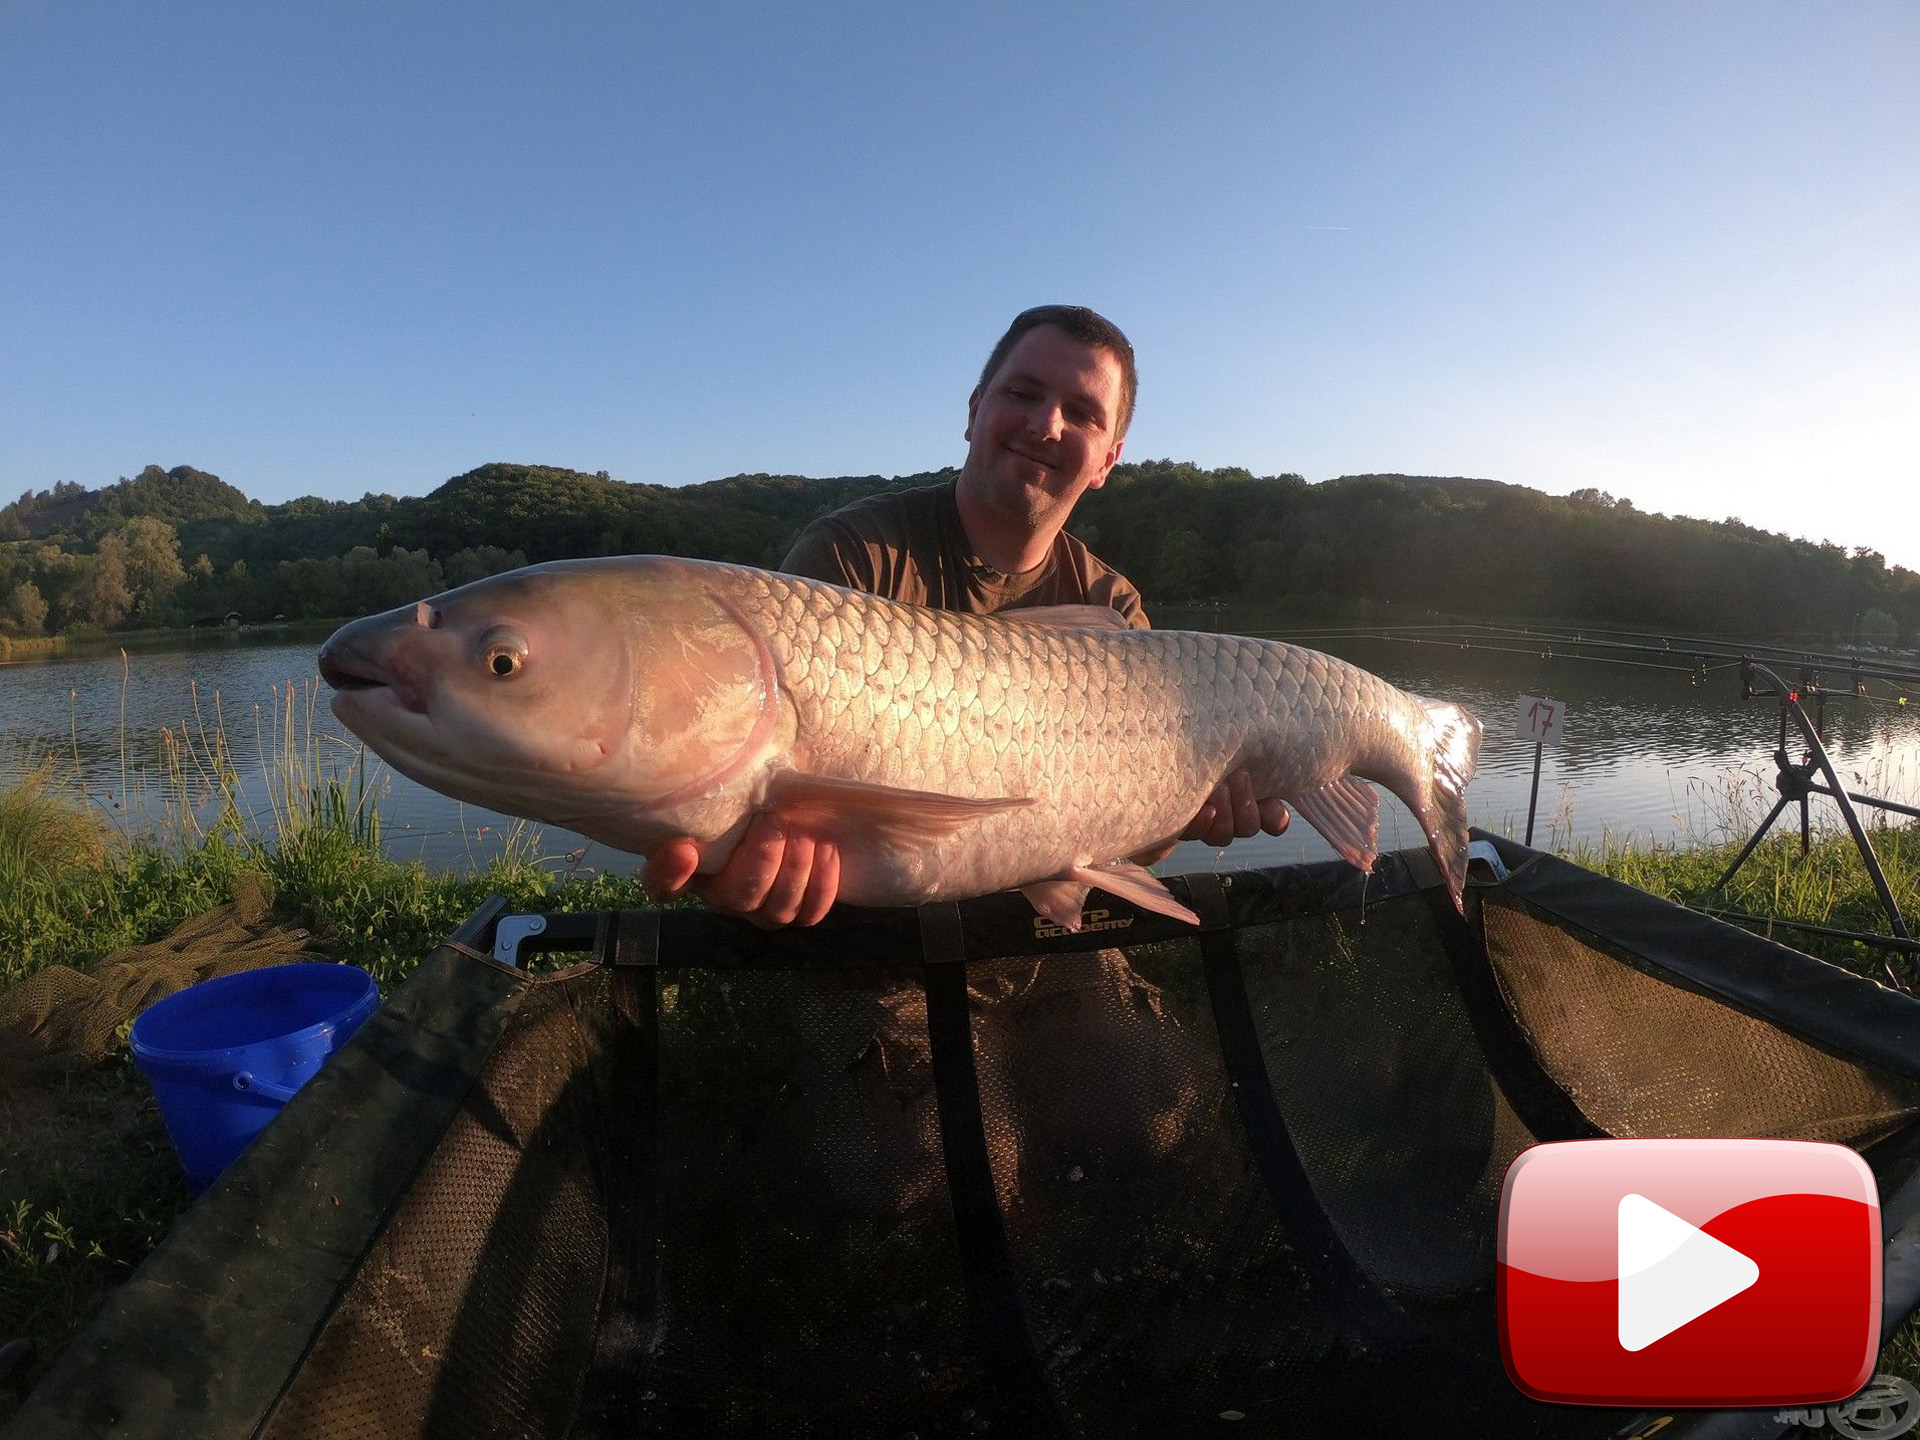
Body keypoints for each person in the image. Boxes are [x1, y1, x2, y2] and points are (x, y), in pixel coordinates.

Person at [641, 304, 1289, 921]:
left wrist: (1191, 811)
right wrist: (746, 872)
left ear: (1108, 461)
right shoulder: (854, 556)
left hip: (1040, 941)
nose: (1045, 424)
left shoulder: (1110, 605)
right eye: (1023, 394)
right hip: (871, 947)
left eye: (1082, 412)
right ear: (975, 410)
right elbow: (756, 798)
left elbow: (1133, 844)